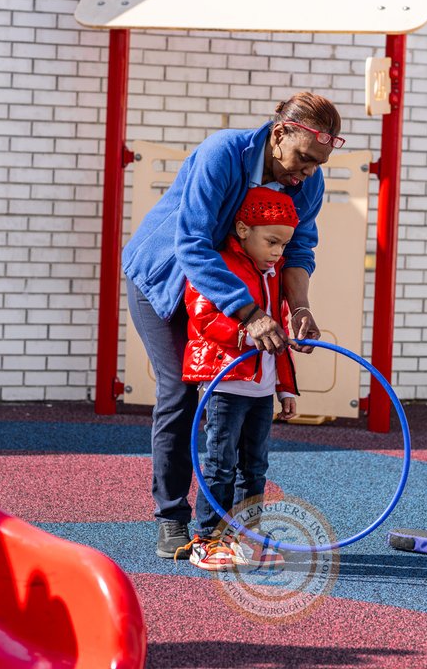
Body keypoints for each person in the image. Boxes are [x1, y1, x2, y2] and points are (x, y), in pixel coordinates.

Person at [122, 91, 344, 560]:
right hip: (166, 276)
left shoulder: (308, 182)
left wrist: (298, 308)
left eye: (318, 163)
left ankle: (236, 526)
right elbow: (193, 244)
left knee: (244, 404)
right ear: (280, 133)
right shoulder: (223, 152)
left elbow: (299, 251)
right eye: (304, 158)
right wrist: (252, 314)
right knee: (182, 391)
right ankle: (171, 516)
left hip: (235, 289)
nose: (307, 171)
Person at [182, 187, 300, 570]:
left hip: (261, 389)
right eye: (272, 241)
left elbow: (278, 333)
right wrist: (244, 333)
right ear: (243, 228)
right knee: (220, 462)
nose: (278, 252)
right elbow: (202, 316)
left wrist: (285, 388)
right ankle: (206, 538)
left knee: (255, 465)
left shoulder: (273, 273)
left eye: (284, 244)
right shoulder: (219, 265)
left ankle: (245, 538)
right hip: (226, 384)